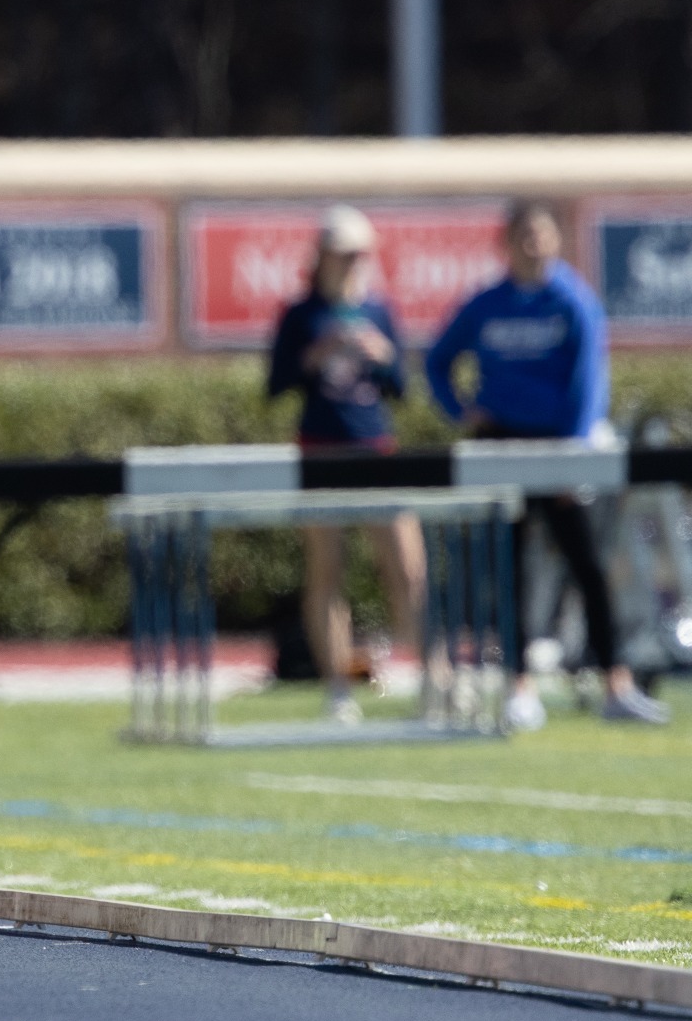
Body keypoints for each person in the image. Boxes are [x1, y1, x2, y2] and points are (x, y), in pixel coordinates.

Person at [426, 200, 667, 729]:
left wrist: (571, 457)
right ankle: (519, 688)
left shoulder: (572, 300)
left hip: (559, 449)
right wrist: (460, 409)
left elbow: (588, 383)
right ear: (506, 243)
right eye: (523, 236)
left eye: (542, 235)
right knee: (509, 570)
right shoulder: (486, 303)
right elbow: (437, 359)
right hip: (502, 447)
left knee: (588, 566)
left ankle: (617, 685)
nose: (533, 245)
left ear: (556, 241)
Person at [266, 206, 425, 725]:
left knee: (407, 566)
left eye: (359, 253)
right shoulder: (301, 313)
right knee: (327, 571)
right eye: (343, 253)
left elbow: (401, 387)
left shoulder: (379, 309)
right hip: (320, 450)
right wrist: (318, 352)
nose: (352, 262)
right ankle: (337, 687)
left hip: (375, 448)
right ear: (323, 256)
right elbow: (275, 384)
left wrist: (381, 355)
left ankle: (430, 678)